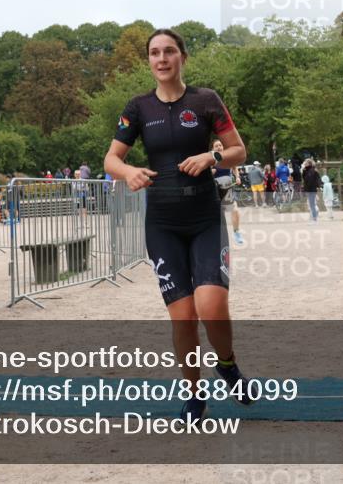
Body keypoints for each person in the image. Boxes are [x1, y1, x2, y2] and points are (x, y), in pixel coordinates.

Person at [103, 28, 255, 424]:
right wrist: (128, 172)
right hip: (163, 223)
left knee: (212, 305)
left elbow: (239, 150)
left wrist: (211, 156)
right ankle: (194, 396)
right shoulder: (138, 108)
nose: (162, 58)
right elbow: (111, 160)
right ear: (149, 61)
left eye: (169, 51)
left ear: (182, 57)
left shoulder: (205, 101)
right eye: (155, 53)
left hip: (204, 215)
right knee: (183, 317)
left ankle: (227, 365)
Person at [212, 139, 244, 245]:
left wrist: (237, 177)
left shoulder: (228, 158)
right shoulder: (210, 159)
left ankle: (236, 232)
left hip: (228, 188)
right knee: (216, 214)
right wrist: (210, 172)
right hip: (215, 190)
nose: (219, 147)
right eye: (216, 146)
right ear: (213, 148)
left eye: (220, 145)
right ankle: (215, 236)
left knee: (234, 210)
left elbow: (235, 168)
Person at [302, 158, 321, 223]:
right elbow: (304, 179)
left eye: (306, 163)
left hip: (312, 189)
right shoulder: (306, 171)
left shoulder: (313, 171)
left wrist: (318, 187)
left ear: (309, 164)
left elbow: (317, 179)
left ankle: (314, 219)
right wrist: (303, 171)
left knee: (312, 204)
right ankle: (313, 218)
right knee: (311, 204)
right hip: (309, 189)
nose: (304, 164)